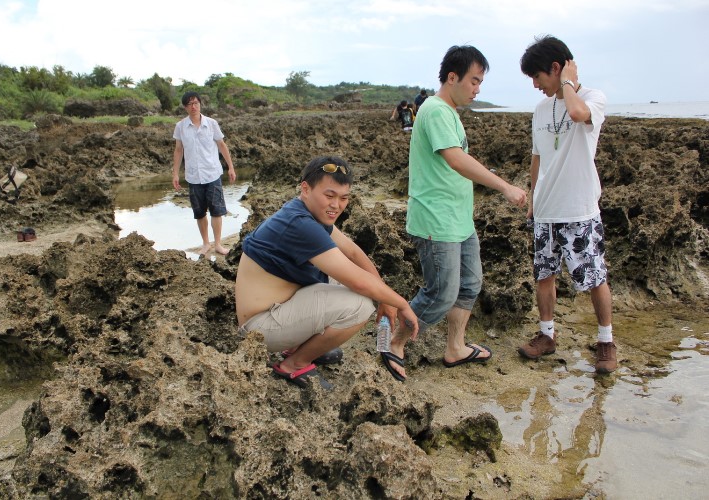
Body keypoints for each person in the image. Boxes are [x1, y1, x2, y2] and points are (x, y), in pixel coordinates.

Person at [382, 45, 528, 382]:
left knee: (470, 282)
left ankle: (456, 347)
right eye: (474, 81)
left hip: (458, 219)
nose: (478, 89)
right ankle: (395, 341)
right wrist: (504, 186)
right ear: (452, 77)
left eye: (480, 82)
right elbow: (455, 159)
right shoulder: (434, 110)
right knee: (440, 293)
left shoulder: (448, 112)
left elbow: (457, 162)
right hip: (436, 220)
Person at [235, 156, 419, 389]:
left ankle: (297, 345)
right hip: (260, 329)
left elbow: (352, 253)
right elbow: (360, 283)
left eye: (343, 198)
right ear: (305, 188)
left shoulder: (307, 212)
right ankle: (294, 364)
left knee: (355, 285)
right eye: (329, 196)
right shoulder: (300, 223)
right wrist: (400, 303)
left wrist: (386, 298)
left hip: (276, 308)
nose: (336, 205)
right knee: (361, 304)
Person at [518, 35, 616, 374]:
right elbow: (537, 157)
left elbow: (577, 113)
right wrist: (533, 198)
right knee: (544, 275)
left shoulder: (592, 98)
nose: (535, 85)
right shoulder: (541, 109)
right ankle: (547, 335)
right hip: (546, 210)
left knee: (594, 277)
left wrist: (569, 84)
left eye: (538, 76)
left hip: (578, 210)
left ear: (556, 69)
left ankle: (606, 342)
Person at [172, 91, 237, 256]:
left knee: (217, 210)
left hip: (212, 173)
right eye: (189, 104)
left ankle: (218, 244)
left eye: (196, 103)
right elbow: (179, 150)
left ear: (200, 104)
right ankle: (206, 243)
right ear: (185, 107)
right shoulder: (180, 126)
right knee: (199, 212)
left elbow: (222, 145)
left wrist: (230, 167)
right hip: (193, 176)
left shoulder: (212, 123)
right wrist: (175, 174)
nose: (193, 107)